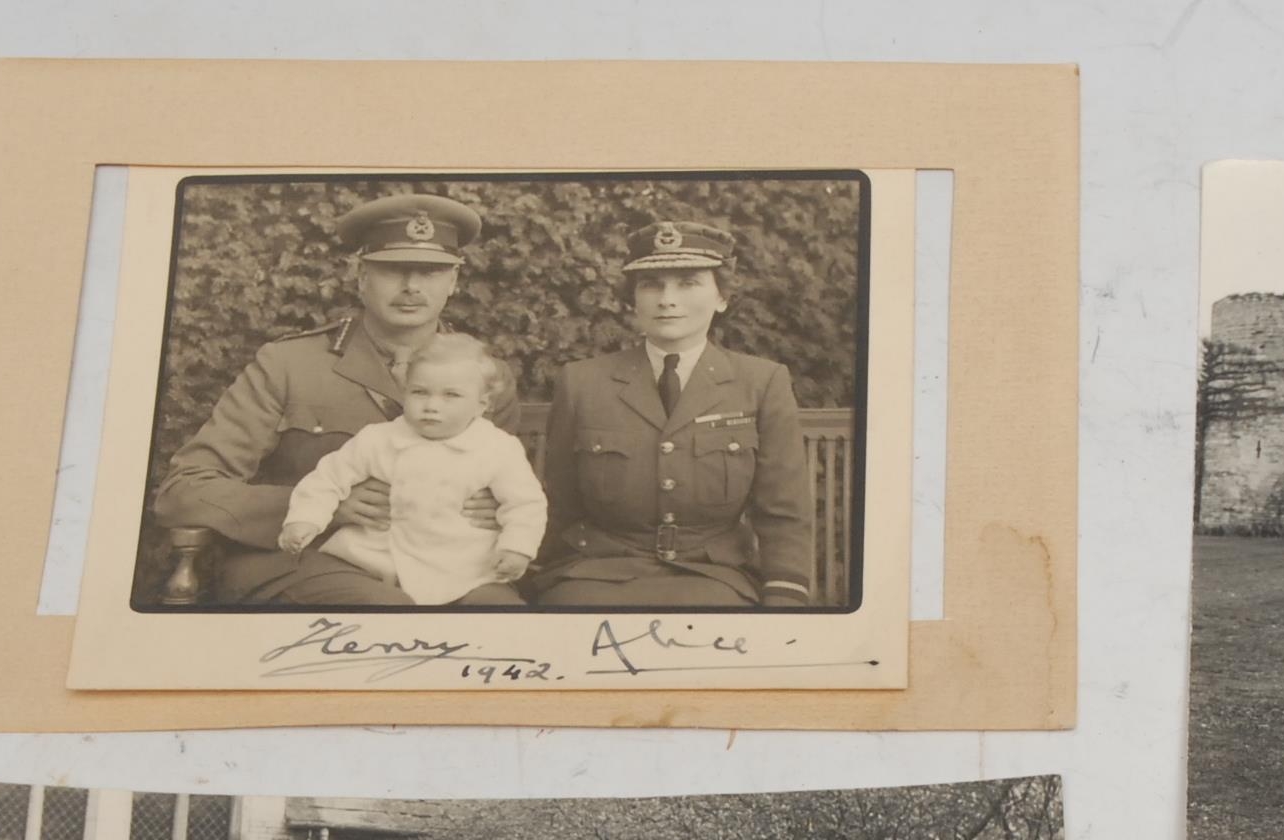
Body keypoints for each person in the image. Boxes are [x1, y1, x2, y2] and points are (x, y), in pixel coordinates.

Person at [152, 192, 521, 606]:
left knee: (501, 615)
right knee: (386, 615)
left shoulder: (485, 376)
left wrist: (496, 508)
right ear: (362, 277)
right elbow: (184, 491)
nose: (412, 287)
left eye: (432, 271)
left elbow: (507, 486)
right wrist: (323, 504)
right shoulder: (289, 364)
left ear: (453, 282)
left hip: (447, 567)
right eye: (392, 270)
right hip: (303, 558)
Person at [529, 221, 817, 608]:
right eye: (652, 284)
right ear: (633, 299)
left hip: (715, 576)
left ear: (722, 298)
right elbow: (560, 503)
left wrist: (786, 591)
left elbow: (784, 509)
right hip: (599, 573)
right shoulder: (582, 382)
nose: (667, 299)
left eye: (688, 283)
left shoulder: (761, 382)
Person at [279, 332, 547, 606]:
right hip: (374, 560)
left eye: (451, 395)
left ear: (482, 405)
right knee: (369, 602)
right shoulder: (378, 440)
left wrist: (516, 548)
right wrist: (305, 519)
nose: (431, 406)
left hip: (465, 567)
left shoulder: (497, 449)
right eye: (419, 392)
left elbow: (525, 504)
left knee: (497, 608)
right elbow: (327, 480)